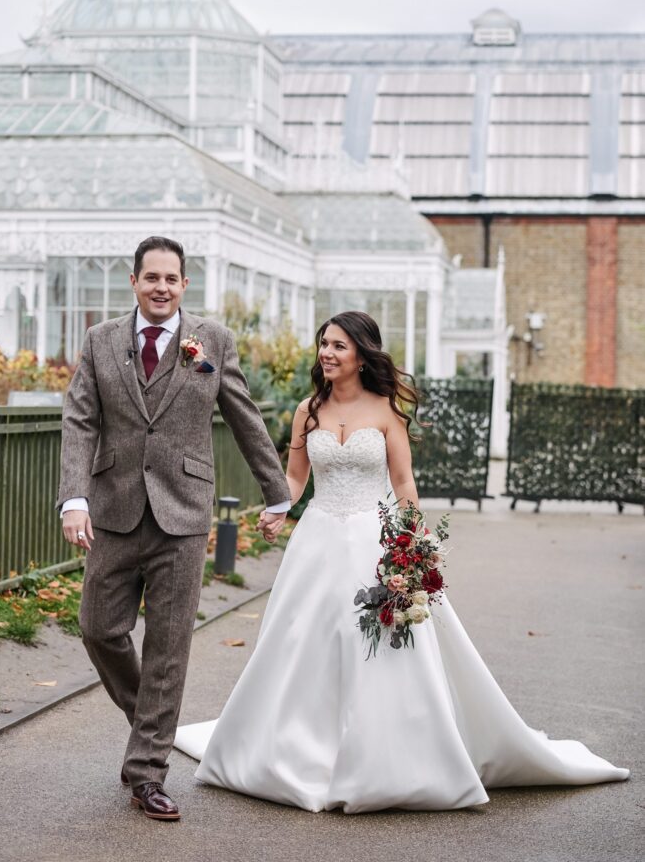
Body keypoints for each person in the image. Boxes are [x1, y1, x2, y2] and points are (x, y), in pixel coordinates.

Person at [174, 310, 629, 813]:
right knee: (305, 639)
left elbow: (404, 482)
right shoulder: (308, 409)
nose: (327, 353)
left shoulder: (385, 410)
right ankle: (299, 750)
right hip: (319, 541)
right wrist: (280, 510)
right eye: (324, 344)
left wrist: (416, 538)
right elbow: (297, 476)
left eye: (339, 346)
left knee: (373, 641)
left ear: (362, 355)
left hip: (376, 538)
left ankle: (384, 754)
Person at [58, 235, 290, 821]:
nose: (161, 287)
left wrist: (277, 492)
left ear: (185, 285)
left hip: (184, 513)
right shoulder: (101, 340)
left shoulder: (211, 341)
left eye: (172, 278)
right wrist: (74, 499)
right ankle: (151, 726)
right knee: (98, 628)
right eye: (151, 277)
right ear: (133, 282)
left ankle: (147, 771)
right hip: (112, 510)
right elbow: (81, 418)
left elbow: (242, 414)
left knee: (168, 647)